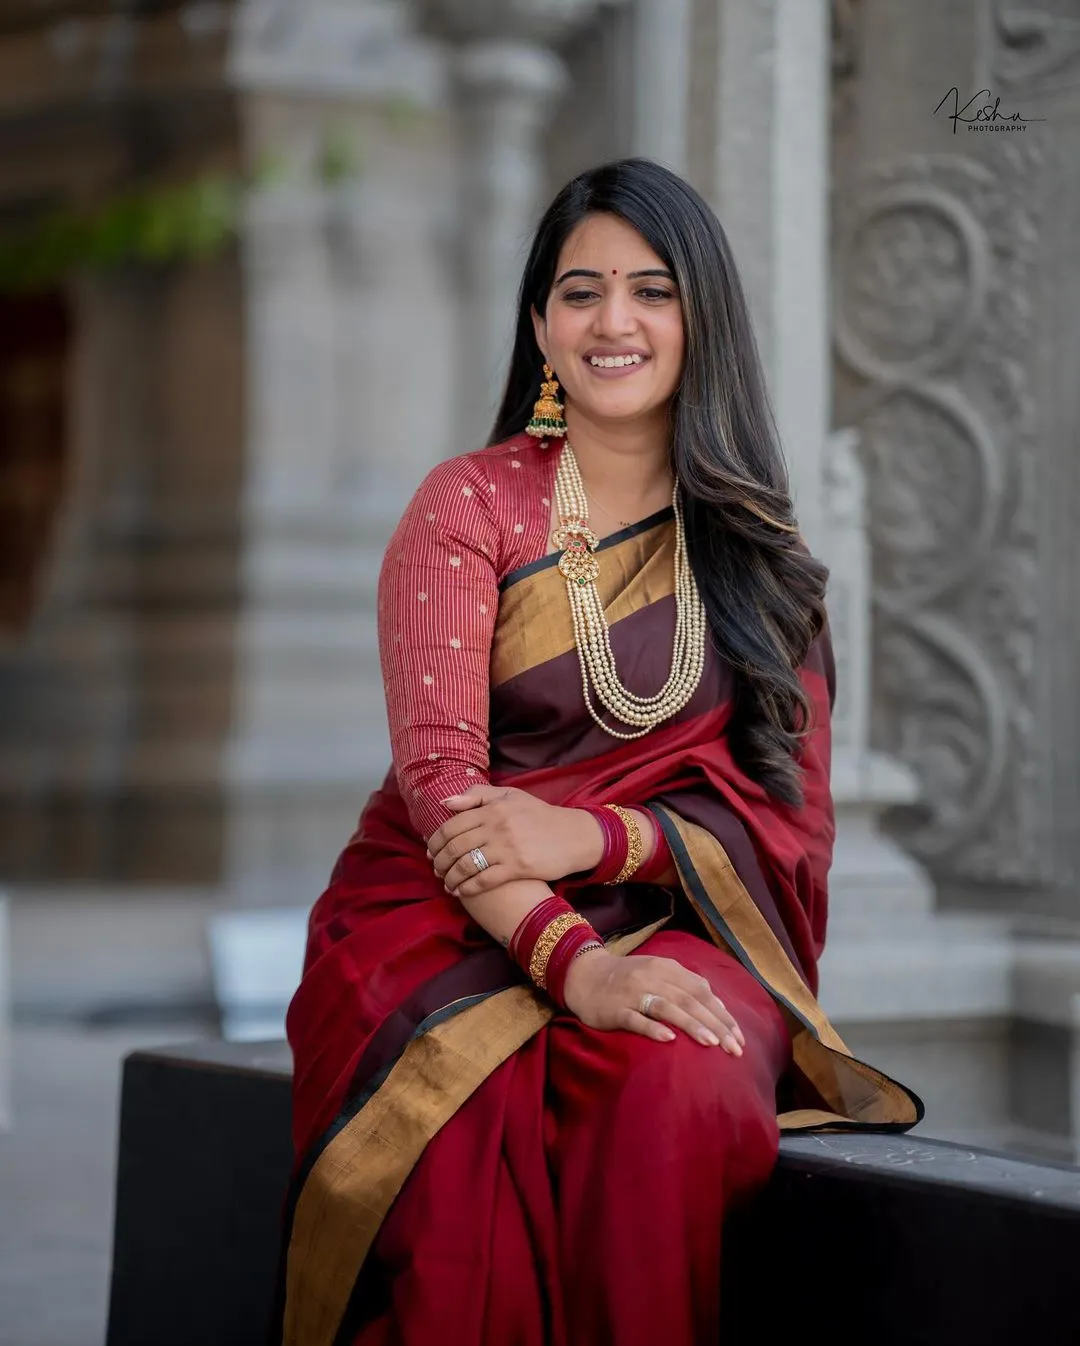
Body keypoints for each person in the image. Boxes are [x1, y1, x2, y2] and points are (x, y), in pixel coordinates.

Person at [276, 158, 921, 1346]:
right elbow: (442, 789)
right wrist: (575, 964)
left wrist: (598, 834)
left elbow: (787, 817)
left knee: (678, 1082)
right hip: (439, 916)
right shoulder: (466, 506)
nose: (612, 322)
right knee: (456, 1137)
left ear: (700, 319)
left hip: (675, 912)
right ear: (538, 325)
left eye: (651, 290)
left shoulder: (758, 557)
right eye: (580, 291)